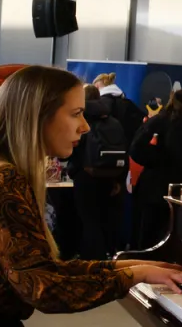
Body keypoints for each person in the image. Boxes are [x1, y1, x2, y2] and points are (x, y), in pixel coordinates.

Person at [0, 65, 182, 327]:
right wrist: (135, 276)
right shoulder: (0, 178)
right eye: (76, 114)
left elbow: (39, 268)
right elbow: (43, 288)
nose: (84, 126)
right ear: (37, 115)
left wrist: (133, 267)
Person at [129, 89, 182, 250]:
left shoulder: (156, 121)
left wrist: (153, 161)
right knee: (171, 233)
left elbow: (135, 148)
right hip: (176, 187)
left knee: (147, 233)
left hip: (150, 184)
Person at [67, 86, 126, 261]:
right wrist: (119, 180)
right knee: (105, 220)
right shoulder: (113, 121)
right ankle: (107, 257)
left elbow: (74, 151)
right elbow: (124, 150)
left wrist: (73, 171)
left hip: (86, 178)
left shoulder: (82, 122)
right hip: (110, 177)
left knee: (89, 222)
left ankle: (91, 260)